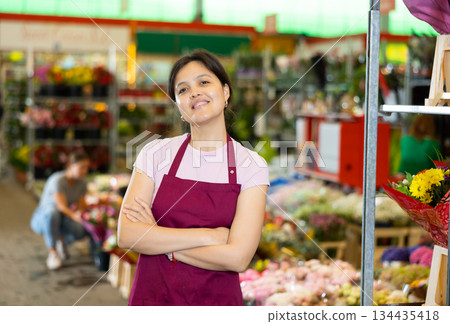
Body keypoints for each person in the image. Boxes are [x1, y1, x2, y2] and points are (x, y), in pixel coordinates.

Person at [118, 50, 269, 306]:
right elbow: (128, 235)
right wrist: (210, 237)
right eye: (183, 90)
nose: (194, 93)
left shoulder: (251, 165)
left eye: (204, 82)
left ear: (225, 92)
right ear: (178, 106)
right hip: (154, 300)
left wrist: (158, 237)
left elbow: (238, 258)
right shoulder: (155, 153)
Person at [30, 151, 90, 270]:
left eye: (87, 168)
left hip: (63, 218)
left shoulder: (82, 183)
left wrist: (82, 216)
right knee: (53, 213)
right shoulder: (57, 180)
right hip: (43, 219)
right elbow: (61, 206)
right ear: (71, 166)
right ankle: (53, 253)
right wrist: (76, 216)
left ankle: (61, 240)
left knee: (81, 229)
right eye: (82, 167)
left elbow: (81, 205)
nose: (85, 171)